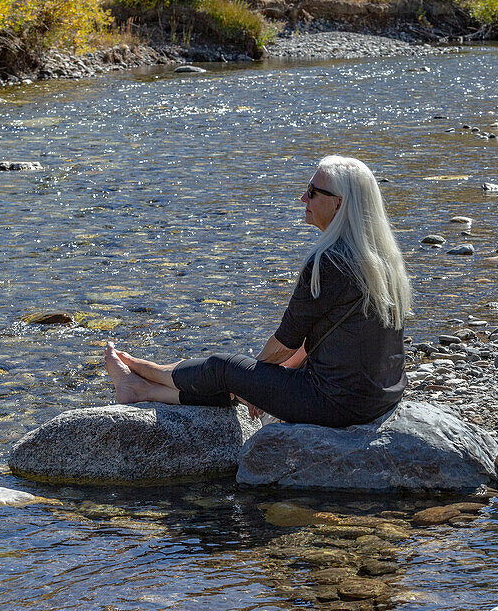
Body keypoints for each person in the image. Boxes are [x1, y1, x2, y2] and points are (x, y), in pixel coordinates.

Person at [104, 155, 411, 428]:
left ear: (339, 203)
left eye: (313, 192)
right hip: (381, 397)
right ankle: (146, 390)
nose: (303, 197)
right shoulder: (380, 257)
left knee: (224, 367)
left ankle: (146, 370)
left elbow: (285, 343)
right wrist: (258, 384)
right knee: (243, 375)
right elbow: (316, 339)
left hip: (336, 405)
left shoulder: (329, 261)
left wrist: (252, 380)